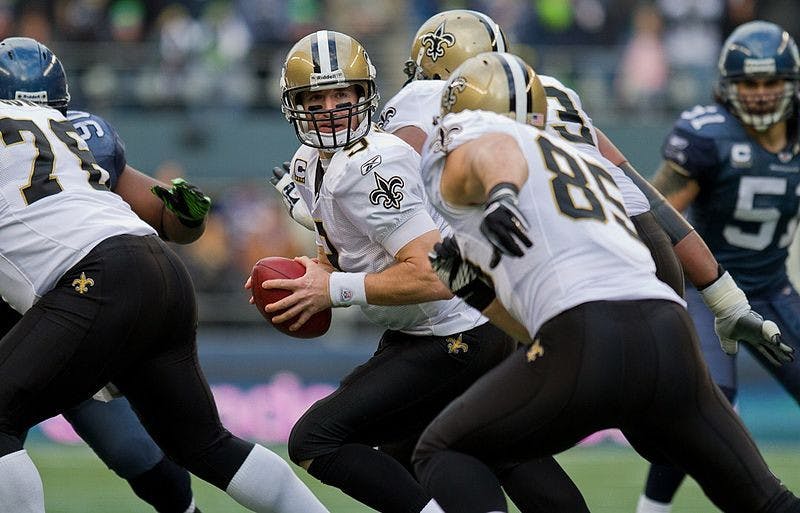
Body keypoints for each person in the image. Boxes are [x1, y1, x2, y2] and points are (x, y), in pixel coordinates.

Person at [410, 50, 799, 513]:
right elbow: (531, 325)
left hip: (583, 337)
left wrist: (500, 195)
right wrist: (476, 291)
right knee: (767, 501)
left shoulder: (476, 144)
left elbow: (495, 146)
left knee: (441, 449)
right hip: (667, 334)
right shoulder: (585, 160)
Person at [251, 29, 587, 513]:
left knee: (317, 439)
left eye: (341, 93)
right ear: (293, 104)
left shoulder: (373, 164)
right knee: (493, 450)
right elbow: (348, 255)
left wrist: (333, 289)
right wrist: (307, 275)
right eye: (315, 97)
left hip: (454, 330)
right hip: (456, 326)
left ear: (365, 95)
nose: (330, 107)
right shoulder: (310, 164)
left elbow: (434, 274)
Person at [373, 8, 786, 369]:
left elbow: (399, 185)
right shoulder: (557, 92)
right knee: (666, 411)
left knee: (506, 408)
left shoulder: (422, 99)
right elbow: (646, 196)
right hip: (648, 251)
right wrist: (724, 296)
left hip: (562, 263)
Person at [0, 68, 330, 513]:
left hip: (90, 283)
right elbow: (161, 208)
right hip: (154, 266)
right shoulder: (58, 127)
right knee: (207, 445)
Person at [0, 36, 208, 513]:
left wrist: (187, 210)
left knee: (132, 450)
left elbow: (168, 215)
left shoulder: (84, 141)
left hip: (67, 312)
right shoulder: (83, 133)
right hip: (51, 306)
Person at [635, 20, 800, 513]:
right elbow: (654, 212)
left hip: (773, 290)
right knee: (711, 398)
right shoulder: (708, 136)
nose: (761, 93)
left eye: (771, 82)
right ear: (729, 87)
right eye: (750, 83)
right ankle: (652, 510)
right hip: (710, 290)